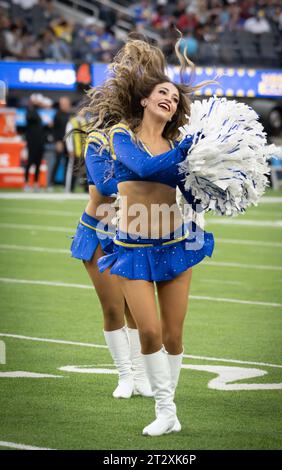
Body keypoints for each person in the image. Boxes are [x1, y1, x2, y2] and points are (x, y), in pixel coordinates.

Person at [86, 37, 215, 436]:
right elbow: (143, 167)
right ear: (144, 100)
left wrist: (215, 174)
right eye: (163, 93)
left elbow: (189, 190)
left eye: (175, 98)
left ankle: (170, 410)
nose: (170, 100)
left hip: (177, 241)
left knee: (174, 335)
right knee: (149, 331)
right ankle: (164, 409)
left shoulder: (177, 142)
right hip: (130, 247)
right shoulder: (123, 135)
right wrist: (188, 153)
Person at [69, 38, 170, 399]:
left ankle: (143, 376)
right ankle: (124, 375)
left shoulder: (143, 139)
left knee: (137, 311)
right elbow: (104, 183)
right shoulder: (99, 139)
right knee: (113, 307)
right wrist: (150, 171)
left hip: (132, 231)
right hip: (98, 230)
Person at [24, 93, 45, 191]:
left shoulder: (38, 112)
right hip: (32, 142)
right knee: (30, 162)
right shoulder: (29, 111)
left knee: (38, 163)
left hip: (40, 142)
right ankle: (26, 183)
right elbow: (29, 118)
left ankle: (36, 183)